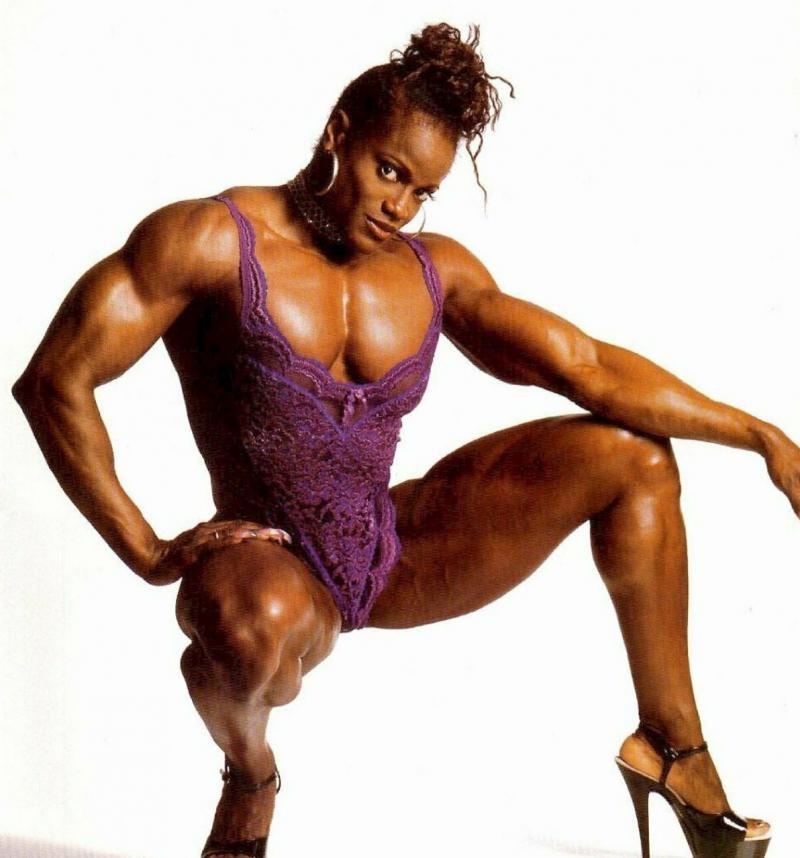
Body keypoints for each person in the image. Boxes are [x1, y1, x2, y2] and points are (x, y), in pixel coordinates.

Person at [12, 21, 797, 858]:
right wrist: (146, 548)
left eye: (422, 191)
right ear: (338, 134)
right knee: (247, 630)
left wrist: (763, 437)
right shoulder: (210, 240)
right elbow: (55, 380)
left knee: (634, 458)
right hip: (271, 567)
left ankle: (674, 753)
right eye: (389, 171)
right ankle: (250, 775)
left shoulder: (429, 270)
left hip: (393, 551)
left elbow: (589, 368)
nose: (400, 206)